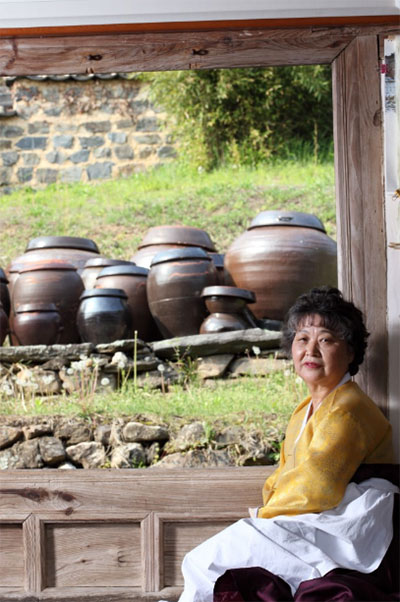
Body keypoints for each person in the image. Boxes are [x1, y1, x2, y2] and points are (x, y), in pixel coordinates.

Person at [176, 287, 397, 602]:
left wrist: (266, 516)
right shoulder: (303, 410)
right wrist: (269, 509)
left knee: (213, 556)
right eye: (302, 339)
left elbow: (317, 486)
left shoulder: (349, 406)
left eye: (326, 339)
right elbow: (283, 475)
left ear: (350, 352)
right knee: (221, 558)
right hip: (315, 515)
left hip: (350, 523)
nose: (311, 350)